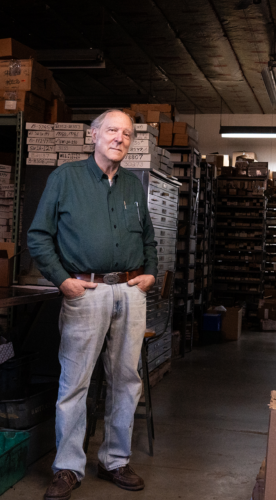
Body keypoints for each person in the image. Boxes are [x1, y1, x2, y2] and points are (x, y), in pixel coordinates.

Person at [28, 109, 158, 500]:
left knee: (126, 380)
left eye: (127, 133)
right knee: (75, 384)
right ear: (94, 135)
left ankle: (115, 460)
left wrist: (150, 273)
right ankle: (68, 467)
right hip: (86, 293)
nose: (120, 138)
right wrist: (63, 280)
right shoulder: (65, 178)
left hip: (129, 293)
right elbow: (38, 236)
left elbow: (149, 237)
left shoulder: (133, 186)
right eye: (112, 130)